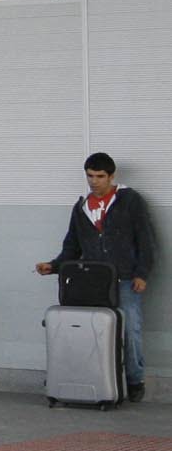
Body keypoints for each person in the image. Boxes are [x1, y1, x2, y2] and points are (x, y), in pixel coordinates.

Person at [37, 151, 154, 401]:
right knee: (90, 330)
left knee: (130, 330)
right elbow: (72, 246)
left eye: (100, 176)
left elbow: (146, 239)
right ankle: (93, 377)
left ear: (111, 176)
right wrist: (55, 265)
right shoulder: (81, 208)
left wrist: (142, 273)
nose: (94, 181)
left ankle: (135, 380)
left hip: (124, 278)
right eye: (90, 176)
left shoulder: (130, 201)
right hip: (93, 280)